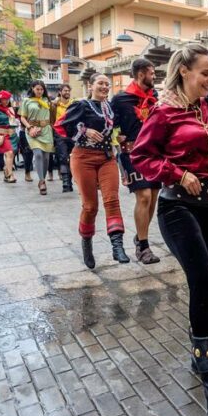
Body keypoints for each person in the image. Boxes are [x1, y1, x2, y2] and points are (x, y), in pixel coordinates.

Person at [130, 44, 208, 416]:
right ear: (185, 72)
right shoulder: (164, 110)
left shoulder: (207, 107)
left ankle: (199, 348)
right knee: (203, 282)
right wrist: (176, 173)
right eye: (205, 73)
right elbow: (142, 156)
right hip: (178, 209)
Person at [61, 73, 129, 268]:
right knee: (91, 207)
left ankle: (117, 246)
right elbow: (64, 127)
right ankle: (86, 242)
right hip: (83, 157)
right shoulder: (81, 105)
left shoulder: (111, 107)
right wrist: (85, 130)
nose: (105, 87)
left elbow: (119, 124)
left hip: (107, 157)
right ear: (90, 86)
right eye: (100, 83)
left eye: (107, 84)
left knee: (112, 199)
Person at [111, 58, 161, 265]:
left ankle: (141, 236)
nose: (154, 76)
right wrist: (116, 136)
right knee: (144, 196)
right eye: (152, 72)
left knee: (153, 197)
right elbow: (109, 122)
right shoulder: (120, 99)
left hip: (155, 152)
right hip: (132, 153)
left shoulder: (155, 96)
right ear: (141, 74)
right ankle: (143, 245)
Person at [18, 81, 55, 195]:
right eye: (37, 89)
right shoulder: (27, 101)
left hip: (46, 131)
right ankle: (42, 181)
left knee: (46, 159)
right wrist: (29, 128)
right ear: (33, 88)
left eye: (42, 89)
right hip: (32, 130)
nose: (40, 91)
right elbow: (23, 117)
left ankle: (41, 180)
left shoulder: (47, 101)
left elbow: (53, 115)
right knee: (38, 154)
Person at [53, 84, 75, 192]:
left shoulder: (74, 104)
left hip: (72, 133)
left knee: (72, 157)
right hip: (59, 134)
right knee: (63, 157)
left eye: (68, 91)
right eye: (65, 90)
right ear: (60, 92)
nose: (67, 92)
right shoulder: (54, 105)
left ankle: (70, 180)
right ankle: (66, 183)